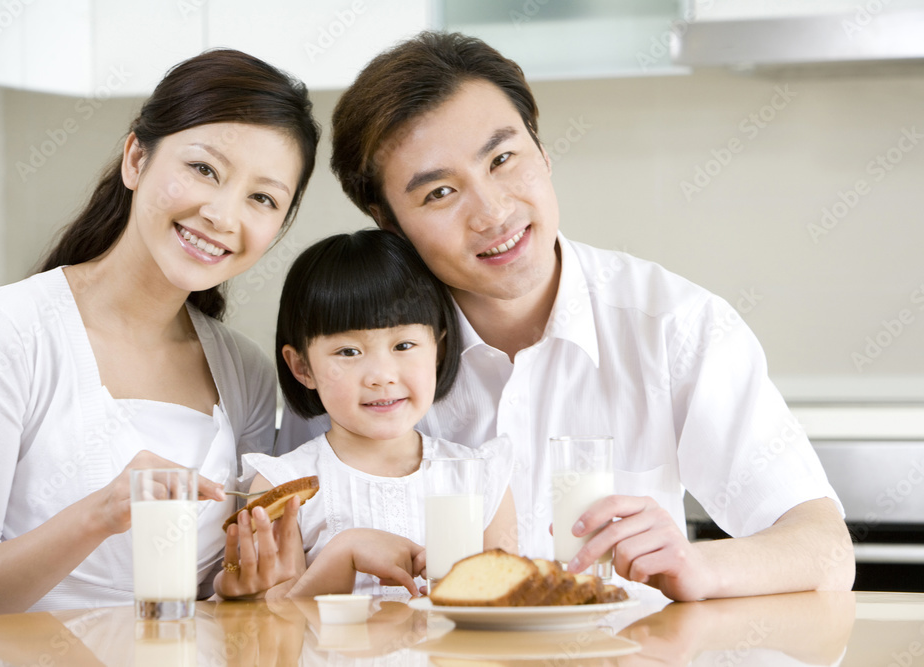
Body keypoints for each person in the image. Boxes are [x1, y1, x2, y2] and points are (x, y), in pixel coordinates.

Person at [280, 31, 855, 601]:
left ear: (543, 153)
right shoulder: (352, 358)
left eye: (503, 159)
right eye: (439, 193)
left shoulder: (676, 325)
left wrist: (702, 565)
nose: (493, 212)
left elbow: (823, 549)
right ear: (390, 223)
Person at [0, 48, 321, 614]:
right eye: (204, 169)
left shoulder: (244, 370)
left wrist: (246, 584)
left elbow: (229, 586)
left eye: (262, 198)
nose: (223, 216)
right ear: (136, 158)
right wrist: (100, 515)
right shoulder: (5, 334)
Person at [217, 230, 516, 599]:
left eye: (404, 345)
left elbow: (505, 610)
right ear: (302, 368)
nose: (381, 376)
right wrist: (342, 554)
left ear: (437, 350)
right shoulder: (283, 487)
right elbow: (277, 626)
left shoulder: (481, 479)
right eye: (348, 352)